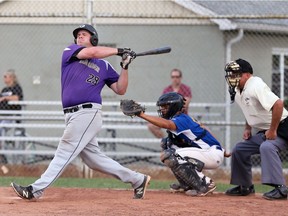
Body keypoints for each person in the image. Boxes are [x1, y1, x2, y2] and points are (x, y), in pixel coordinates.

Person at [10, 24, 150, 200]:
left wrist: (125, 66)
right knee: (94, 160)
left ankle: (34, 190)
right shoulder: (71, 51)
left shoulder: (105, 66)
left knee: (65, 150)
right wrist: (119, 50)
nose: (80, 37)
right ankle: (138, 180)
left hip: (88, 113)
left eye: (84, 34)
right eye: (78, 35)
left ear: (94, 38)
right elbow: (92, 53)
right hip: (72, 115)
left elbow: (120, 89)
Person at [137, 92, 224, 196]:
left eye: (165, 106)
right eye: (162, 107)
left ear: (174, 106)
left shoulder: (181, 119)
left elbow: (166, 124)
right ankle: (188, 184)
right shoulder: (181, 118)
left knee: (170, 155)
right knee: (167, 144)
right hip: (208, 153)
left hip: (211, 154)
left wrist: (142, 115)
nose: (162, 109)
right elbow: (204, 129)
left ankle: (205, 183)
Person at [224, 58, 288, 200]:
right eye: (230, 74)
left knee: (267, 147)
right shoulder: (238, 89)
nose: (231, 77)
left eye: (235, 74)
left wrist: (272, 130)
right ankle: (244, 186)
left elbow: (278, 104)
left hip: (282, 127)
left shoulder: (255, 85)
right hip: (267, 130)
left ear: (246, 75)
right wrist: (248, 128)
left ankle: (281, 188)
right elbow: (250, 110)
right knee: (240, 149)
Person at [147, 69, 192, 138]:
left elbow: (185, 104)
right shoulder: (167, 90)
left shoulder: (185, 89)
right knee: (151, 126)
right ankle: (165, 140)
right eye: (173, 77)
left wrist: (170, 105)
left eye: (177, 77)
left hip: (181, 117)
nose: (175, 79)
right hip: (168, 117)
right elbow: (163, 105)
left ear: (180, 78)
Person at [0, 69, 23, 173]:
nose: (4, 78)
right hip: (3, 117)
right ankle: (2, 156)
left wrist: (6, 98)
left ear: (12, 77)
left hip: (12, 117)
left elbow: (17, 98)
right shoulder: (4, 89)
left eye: (6, 76)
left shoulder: (16, 88)